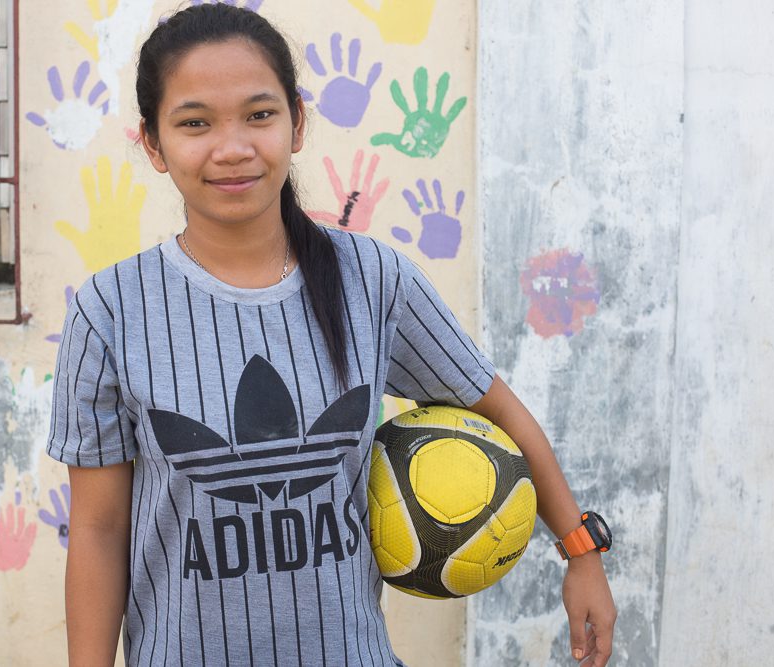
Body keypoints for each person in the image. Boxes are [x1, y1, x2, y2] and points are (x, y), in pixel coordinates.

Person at [45, 4, 616, 666]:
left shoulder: (372, 278)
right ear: (153, 144)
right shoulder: (111, 308)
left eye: (259, 115)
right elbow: (98, 526)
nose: (232, 147)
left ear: (297, 122)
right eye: (195, 123)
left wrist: (581, 550)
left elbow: (497, 407)